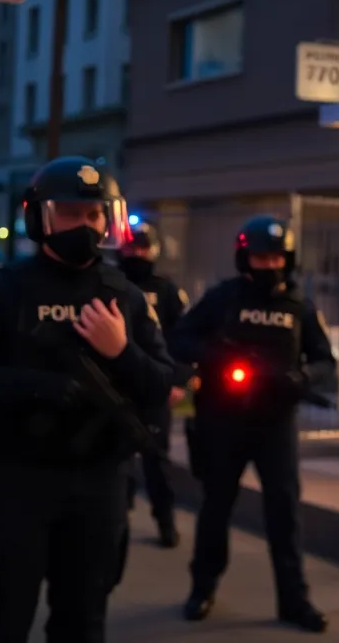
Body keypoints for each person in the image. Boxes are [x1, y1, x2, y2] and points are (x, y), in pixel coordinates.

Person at [0, 156, 176, 643]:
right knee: (5, 617)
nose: (86, 225)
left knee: (83, 621)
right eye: (71, 212)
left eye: (95, 214)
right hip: (21, 479)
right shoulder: (6, 290)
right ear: (40, 217)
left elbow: (159, 384)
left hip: (101, 481)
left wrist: (121, 352)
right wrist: (35, 386)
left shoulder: (126, 296)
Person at [169, 214, 336, 632]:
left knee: (285, 513)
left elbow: (324, 360)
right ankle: (202, 588)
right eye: (261, 258)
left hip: (275, 424)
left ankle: (294, 601)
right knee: (216, 508)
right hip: (223, 421)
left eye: (277, 258)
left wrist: (302, 378)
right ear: (245, 258)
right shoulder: (222, 298)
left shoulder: (300, 306)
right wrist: (216, 356)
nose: (270, 265)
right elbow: (179, 339)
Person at [117, 217, 189, 547]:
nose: (137, 253)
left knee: (157, 461)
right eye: (132, 247)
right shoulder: (110, 284)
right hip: (118, 387)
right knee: (119, 460)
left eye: (143, 248)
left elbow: (183, 338)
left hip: (156, 385)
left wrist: (178, 382)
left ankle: (165, 522)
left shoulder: (167, 290)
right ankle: (118, 521)